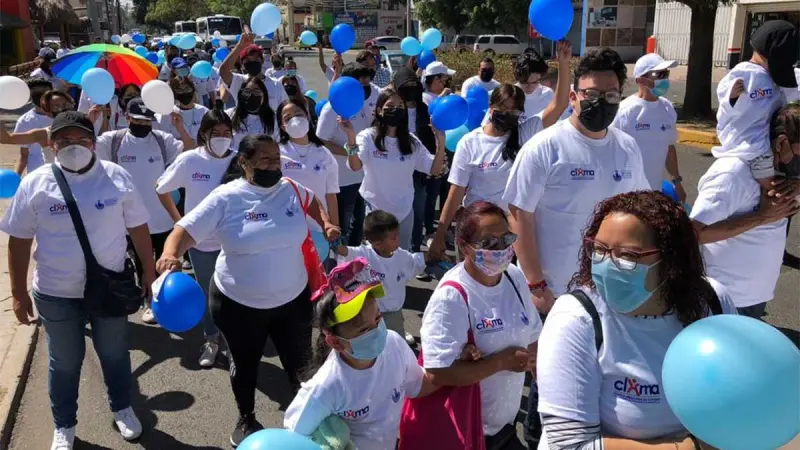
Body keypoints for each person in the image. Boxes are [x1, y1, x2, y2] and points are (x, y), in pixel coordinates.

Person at [155, 134, 339, 446]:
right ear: (245, 162)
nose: (273, 164)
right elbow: (184, 230)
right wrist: (170, 254)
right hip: (238, 305)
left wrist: (327, 222)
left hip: (292, 301)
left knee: (301, 364)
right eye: (265, 159)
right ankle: (247, 416)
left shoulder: (292, 189)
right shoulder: (226, 197)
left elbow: (313, 202)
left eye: (277, 158)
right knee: (245, 364)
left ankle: (307, 418)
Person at [536, 190, 738, 449]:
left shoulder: (711, 300)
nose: (607, 265)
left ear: (670, 260)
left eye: (627, 256)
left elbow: (735, 385)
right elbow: (568, 445)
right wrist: (688, 447)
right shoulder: (575, 319)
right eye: (598, 249)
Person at [1, 111, 152, 449]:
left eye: (80, 139)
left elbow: (139, 228)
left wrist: (148, 270)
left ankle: (122, 407)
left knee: (114, 353)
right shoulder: (35, 183)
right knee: (65, 362)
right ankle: (64, 424)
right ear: (51, 145)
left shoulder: (116, 177)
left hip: (110, 288)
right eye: (64, 140)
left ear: (93, 142)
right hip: (56, 293)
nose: (73, 146)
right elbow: (19, 240)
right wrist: (17, 293)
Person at [504, 47, 649, 313]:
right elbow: (518, 215)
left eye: (611, 95)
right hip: (554, 295)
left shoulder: (627, 148)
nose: (601, 102)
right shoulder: (544, 148)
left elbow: (640, 211)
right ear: (573, 97)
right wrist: (536, 285)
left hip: (610, 291)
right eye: (591, 94)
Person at [429, 43, 572, 261]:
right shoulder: (470, 143)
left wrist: (563, 63)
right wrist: (440, 235)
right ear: (492, 108)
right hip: (475, 230)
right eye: (504, 109)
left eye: (515, 111)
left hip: (508, 233)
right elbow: (455, 193)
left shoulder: (523, 133)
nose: (509, 114)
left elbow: (559, 104)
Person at [420, 201, 542, 448]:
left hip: (503, 427)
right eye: (488, 243)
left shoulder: (514, 276)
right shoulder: (452, 296)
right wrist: (500, 362)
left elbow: (533, 336)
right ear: (465, 246)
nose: (501, 249)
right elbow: (437, 371)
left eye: (506, 239)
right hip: (464, 432)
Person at [284, 258, 439, 449]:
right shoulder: (326, 387)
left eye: (378, 318)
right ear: (336, 342)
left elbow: (420, 384)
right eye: (364, 330)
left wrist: (458, 364)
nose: (377, 331)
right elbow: (293, 436)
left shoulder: (394, 344)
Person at [691, 103, 800, 318]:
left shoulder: (787, 172)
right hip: (722, 300)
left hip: (757, 297)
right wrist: (760, 218)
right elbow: (691, 233)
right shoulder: (732, 173)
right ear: (782, 142)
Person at [155, 107, 236, 367]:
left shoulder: (239, 160)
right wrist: (179, 220)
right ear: (204, 134)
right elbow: (161, 188)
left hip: (234, 243)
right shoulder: (190, 160)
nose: (222, 138)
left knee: (235, 295)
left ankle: (235, 343)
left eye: (227, 133)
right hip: (201, 245)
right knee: (208, 293)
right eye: (216, 133)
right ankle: (211, 340)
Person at [95, 98, 184, 324]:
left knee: (165, 263)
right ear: (127, 117)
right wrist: (93, 119)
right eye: (138, 120)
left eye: (148, 121)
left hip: (162, 217)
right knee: (140, 264)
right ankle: (148, 300)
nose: (143, 125)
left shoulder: (164, 141)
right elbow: (87, 152)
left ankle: (164, 302)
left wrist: (180, 126)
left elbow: (190, 155)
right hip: (129, 221)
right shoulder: (111, 141)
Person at [347, 88, 446, 251]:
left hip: (404, 210)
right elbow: (355, 165)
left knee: (401, 256)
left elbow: (434, 170)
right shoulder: (367, 137)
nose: (396, 109)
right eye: (390, 105)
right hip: (376, 210)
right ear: (379, 111)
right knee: (377, 259)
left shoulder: (411, 141)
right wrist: (351, 137)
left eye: (400, 106)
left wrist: (440, 143)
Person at [712, 20, 798, 192]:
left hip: (768, 140)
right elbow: (726, 97)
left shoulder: (772, 75)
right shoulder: (745, 72)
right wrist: (733, 96)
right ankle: (771, 197)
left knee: (780, 174)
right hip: (751, 143)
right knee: (769, 182)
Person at [335, 210, 427, 344]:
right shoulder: (364, 254)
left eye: (398, 235)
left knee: (395, 346)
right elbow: (345, 251)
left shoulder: (401, 256)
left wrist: (432, 256)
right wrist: (334, 240)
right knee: (373, 347)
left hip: (395, 314)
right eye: (393, 237)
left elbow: (416, 262)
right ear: (377, 244)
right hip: (371, 316)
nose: (398, 240)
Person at [316, 62, 378, 247]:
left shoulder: (362, 105)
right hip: (341, 181)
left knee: (360, 224)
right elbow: (320, 141)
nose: (365, 88)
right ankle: (338, 263)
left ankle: (355, 261)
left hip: (362, 177)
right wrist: (350, 151)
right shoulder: (331, 109)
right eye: (361, 84)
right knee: (341, 225)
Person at [613, 53, 685, 198]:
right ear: (641, 80)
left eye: (666, 74)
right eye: (658, 74)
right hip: (626, 194)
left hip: (654, 191)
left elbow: (669, 149)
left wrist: (677, 181)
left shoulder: (667, 108)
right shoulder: (624, 111)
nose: (664, 79)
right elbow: (610, 152)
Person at [391, 67, 440, 254]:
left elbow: (430, 140)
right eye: (406, 86)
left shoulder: (424, 110)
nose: (411, 89)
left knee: (418, 210)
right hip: (395, 168)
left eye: (414, 85)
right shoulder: (393, 109)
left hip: (419, 168)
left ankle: (415, 250)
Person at [276, 97, 340, 235]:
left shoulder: (324, 154)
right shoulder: (276, 154)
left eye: (298, 115)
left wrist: (334, 227)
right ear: (282, 126)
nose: (295, 120)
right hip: (287, 230)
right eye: (288, 118)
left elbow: (331, 195)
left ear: (307, 117)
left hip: (320, 229)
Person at [1, 89, 81, 165]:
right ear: (48, 112)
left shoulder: (87, 127)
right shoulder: (44, 134)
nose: (63, 109)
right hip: (55, 178)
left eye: (66, 104)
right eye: (56, 107)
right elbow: (7, 139)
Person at [219, 30, 288, 110]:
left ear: (262, 61)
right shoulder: (238, 81)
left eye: (256, 59)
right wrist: (239, 47)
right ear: (243, 64)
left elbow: (283, 111)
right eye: (248, 61)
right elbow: (223, 71)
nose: (252, 63)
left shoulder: (276, 85)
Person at [226, 76, 279, 151]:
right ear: (241, 94)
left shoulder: (274, 118)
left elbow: (279, 144)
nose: (251, 95)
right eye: (247, 92)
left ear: (264, 95)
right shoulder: (229, 115)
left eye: (256, 92)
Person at [155, 76, 210, 149]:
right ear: (174, 93)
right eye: (179, 90)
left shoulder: (204, 112)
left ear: (193, 89)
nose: (184, 92)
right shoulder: (167, 114)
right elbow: (164, 140)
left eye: (187, 88)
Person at [13, 78, 54, 175]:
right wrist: (15, 178)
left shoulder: (63, 116)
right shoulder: (24, 121)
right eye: (37, 94)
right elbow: (23, 155)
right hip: (37, 175)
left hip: (61, 172)